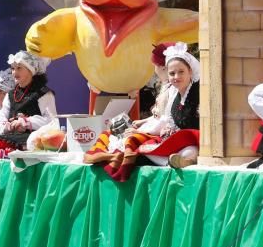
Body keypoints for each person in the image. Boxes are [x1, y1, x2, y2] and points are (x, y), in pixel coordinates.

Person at [84, 42, 201, 181]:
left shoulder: (197, 92)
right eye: (172, 73)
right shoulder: (174, 93)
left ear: (190, 71)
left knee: (190, 150)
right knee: (139, 148)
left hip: (191, 140)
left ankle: (185, 160)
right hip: (173, 140)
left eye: (181, 72)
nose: (176, 76)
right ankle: (110, 156)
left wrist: (144, 130)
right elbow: (166, 119)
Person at [0, 52, 56, 158]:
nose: (14, 72)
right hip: (11, 137)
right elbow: (1, 117)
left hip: (33, 140)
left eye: (19, 68)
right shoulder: (11, 94)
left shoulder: (43, 93)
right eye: (13, 68)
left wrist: (26, 122)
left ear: (31, 70)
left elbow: (52, 122)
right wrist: (7, 125)